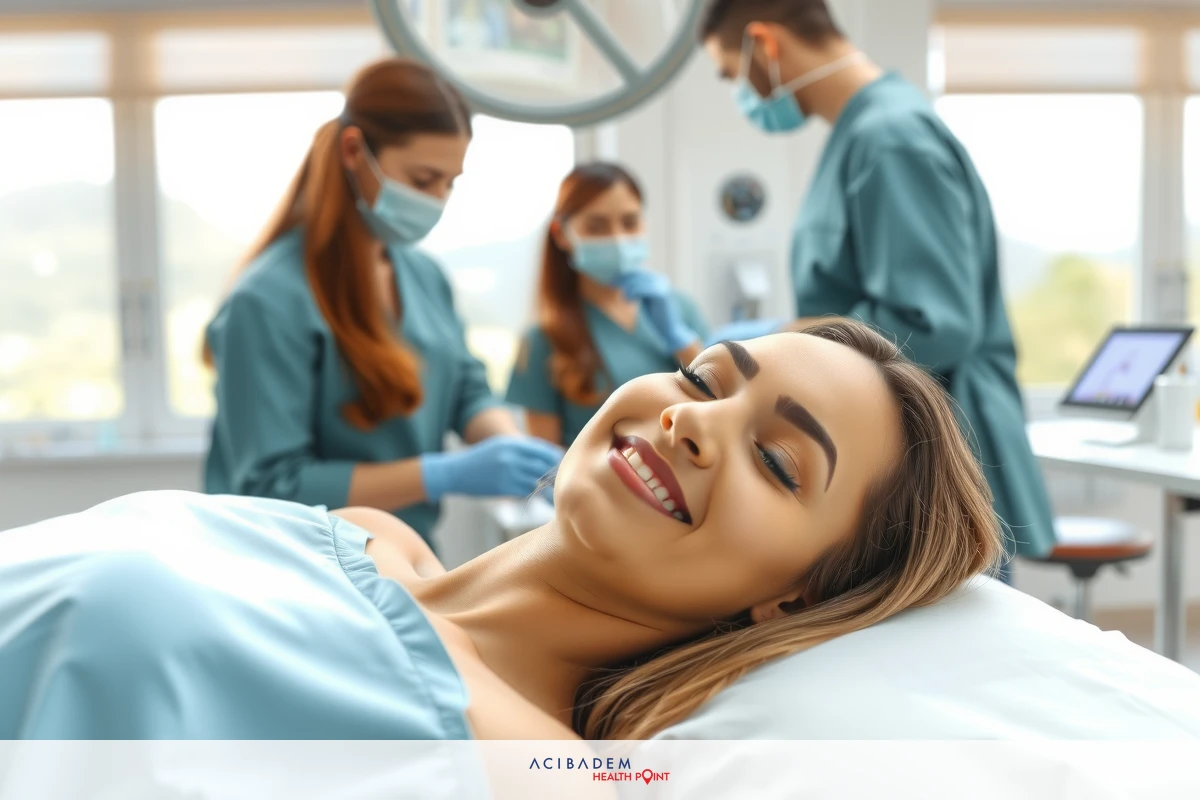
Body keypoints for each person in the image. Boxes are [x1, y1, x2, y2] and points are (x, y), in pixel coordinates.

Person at [3, 321, 1001, 740]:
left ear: (796, 596)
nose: (691, 423)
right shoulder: (369, 534)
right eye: (701, 378)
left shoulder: (539, 767)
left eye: (778, 463)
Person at [698, 0, 1055, 565]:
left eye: (731, 73)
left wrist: (787, 336)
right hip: (899, 458)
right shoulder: (865, 132)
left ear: (764, 44)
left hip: (931, 466)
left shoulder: (891, 138)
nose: (741, 93)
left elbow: (933, 326)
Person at [203, 58, 562, 547]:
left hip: (404, 560)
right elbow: (271, 486)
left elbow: (465, 390)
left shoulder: (424, 277)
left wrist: (513, 450)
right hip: (303, 568)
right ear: (354, 151)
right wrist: (441, 474)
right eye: (423, 179)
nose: (438, 200)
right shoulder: (267, 301)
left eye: (450, 182)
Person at [505, 162, 709, 448]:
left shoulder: (681, 311)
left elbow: (722, 403)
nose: (617, 238)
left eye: (630, 222)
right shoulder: (543, 340)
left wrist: (680, 340)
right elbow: (547, 461)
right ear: (561, 235)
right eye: (596, 227)